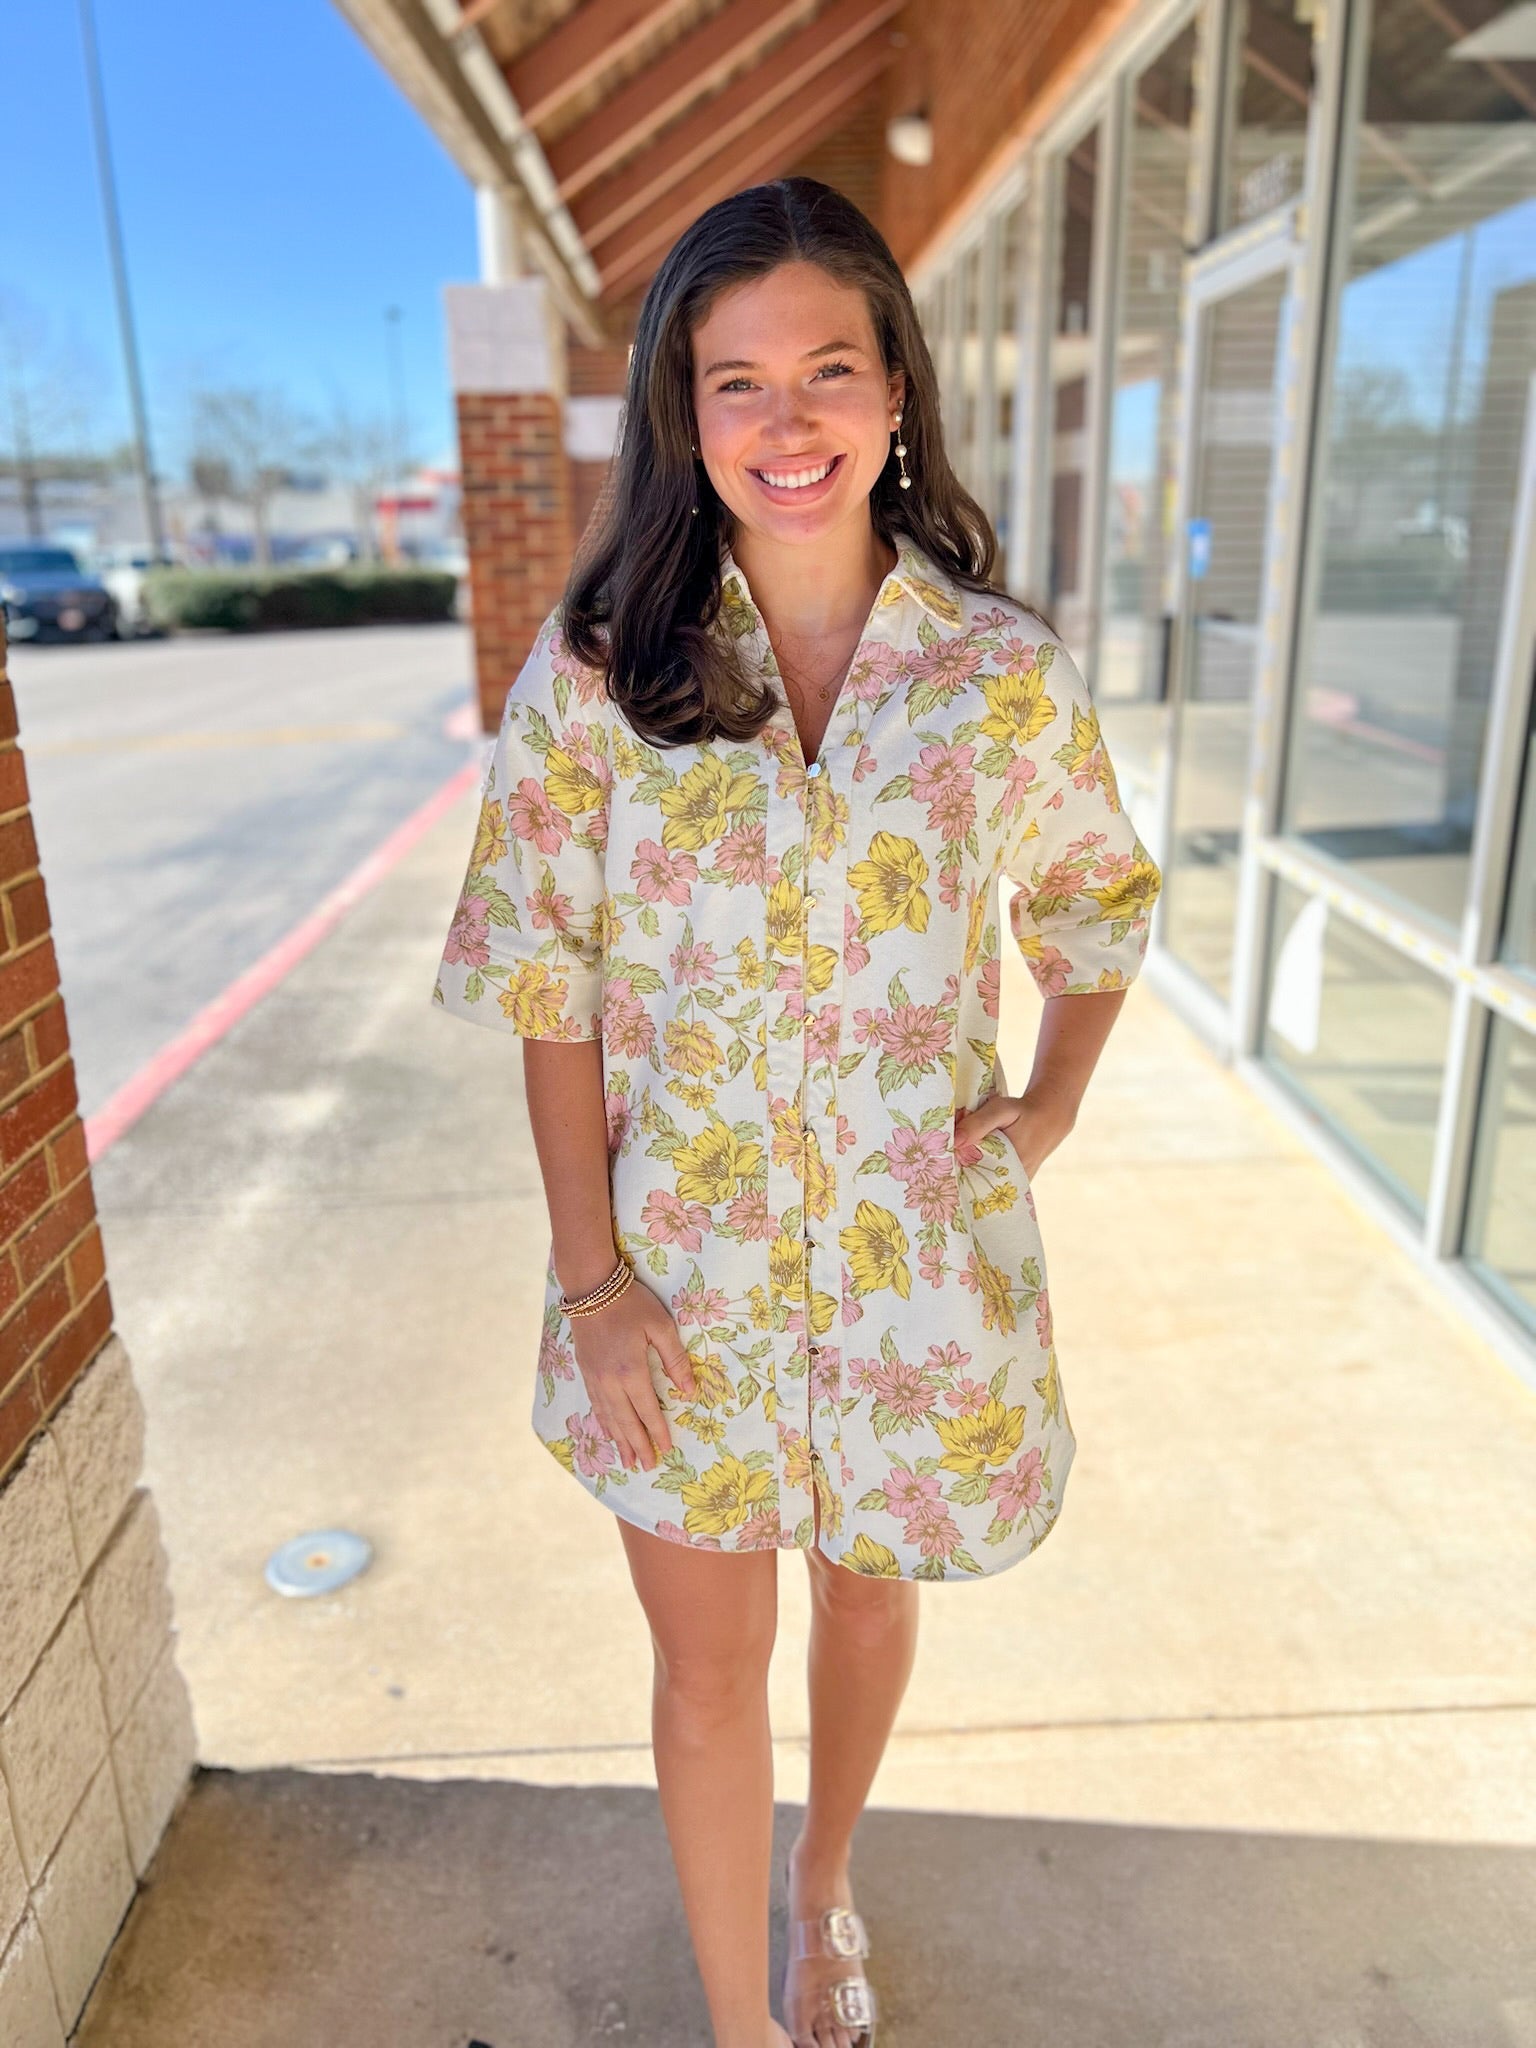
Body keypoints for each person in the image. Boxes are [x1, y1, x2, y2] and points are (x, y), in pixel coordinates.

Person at [433, 177, 1162, 2048]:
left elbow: (1096, 908)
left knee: (862, 1606)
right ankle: (738, 2026)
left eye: (829, 369)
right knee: (704, 1670)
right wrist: (594, 1287)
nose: (788, 420)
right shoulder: (600, 678)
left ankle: (822, 1884)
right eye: (736, 381)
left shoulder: (995, 679)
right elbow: (548, 988)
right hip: (673, 1286)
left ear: (897, 391)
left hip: (917, 1290)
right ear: (683, 416)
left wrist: (1052, 1106)